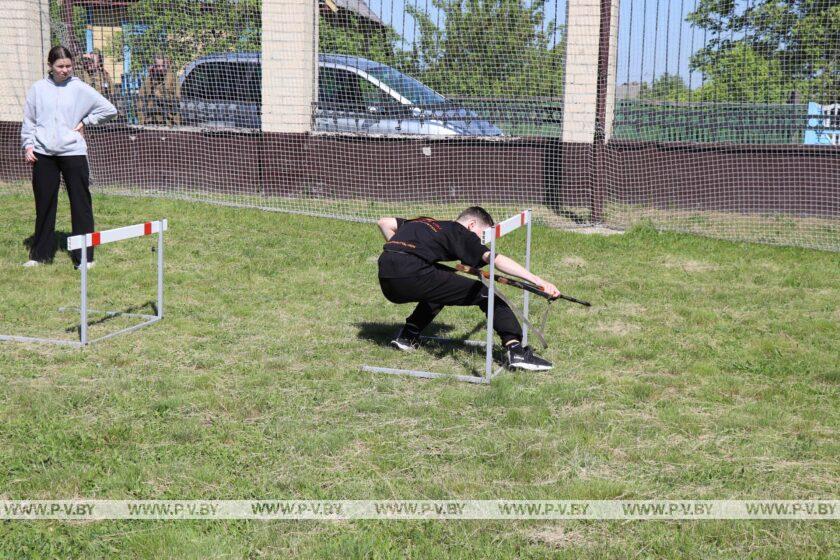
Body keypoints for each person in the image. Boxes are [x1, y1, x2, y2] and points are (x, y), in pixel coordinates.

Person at [376, 207, 561, 371]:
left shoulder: (423, 221)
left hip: (386, 277)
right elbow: (494, 259)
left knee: (443, 283)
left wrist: (405, 255)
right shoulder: (460, 232)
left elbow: (384, 222)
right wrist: (538, 280)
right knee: (487, 293)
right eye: (482, 235)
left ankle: (408, 336)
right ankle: (516, 351)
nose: (480, 241)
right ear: (472, 224)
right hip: (413, 275)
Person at [20, 45, 118, 269]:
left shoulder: (80, 88)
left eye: (68, 66)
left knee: (80, 203)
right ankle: (40, 255)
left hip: (73, 153)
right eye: (60, 66)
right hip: (43, 154)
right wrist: (28, 145)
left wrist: (86, 122)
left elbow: (109, 110)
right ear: (50, 66)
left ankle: (84, 258)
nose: (65, 70)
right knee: (44, 204)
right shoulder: (37, 89)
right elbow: (29, 120)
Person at [136, 55, 180, 126]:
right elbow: (140, 102)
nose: (160, 68)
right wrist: (141, 122)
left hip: (169, 122)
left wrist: (160, 97)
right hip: (152, 121)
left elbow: (177, 100)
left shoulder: (172, 79)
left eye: (162, 66)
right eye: (157, 66)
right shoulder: (149, 80)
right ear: (154, 66)